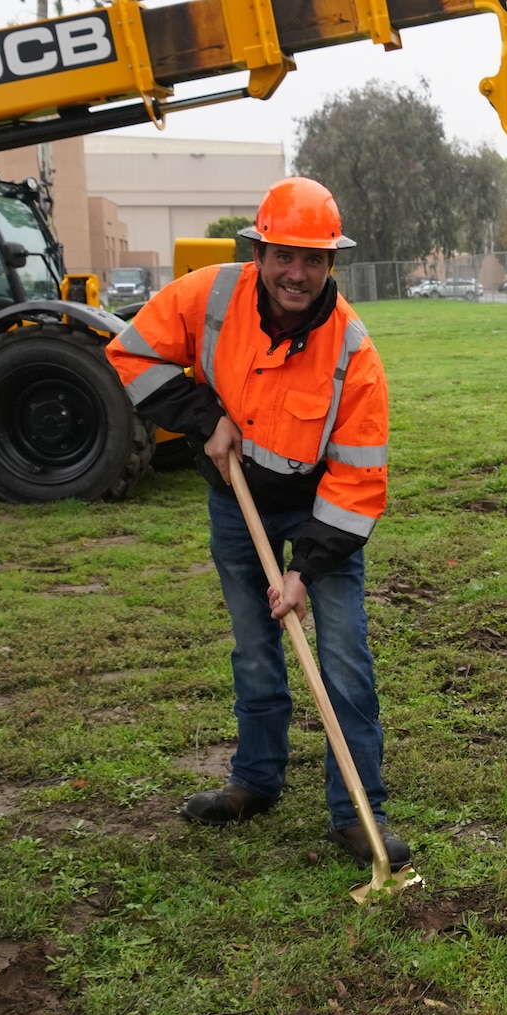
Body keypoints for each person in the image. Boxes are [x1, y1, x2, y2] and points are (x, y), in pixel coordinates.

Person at [104, 176, 410, 870]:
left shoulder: (353, 354)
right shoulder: (209, 296)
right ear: (259, 251)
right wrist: (201, 420)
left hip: (317, 510)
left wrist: (307, 567)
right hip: (235, 499)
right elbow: (131, 353)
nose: (296, 273)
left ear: (331, 264)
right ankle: (255, 780)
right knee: (253, 647)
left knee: (343, 661)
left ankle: (356, 813)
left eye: (312, 259)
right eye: (283, 256)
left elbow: (358, 480)